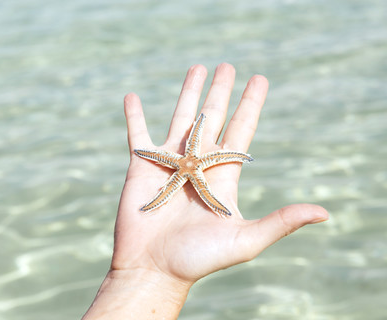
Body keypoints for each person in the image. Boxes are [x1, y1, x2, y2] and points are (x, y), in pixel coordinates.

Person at [82, 63, 328, 319]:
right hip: (186, 174)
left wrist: (149, 276)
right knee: (181, 185)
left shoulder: (191, 163)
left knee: (217, 165)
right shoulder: (186, 165)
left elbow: (207, 156)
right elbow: (171, 179)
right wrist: (151, 275)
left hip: (144, 273)